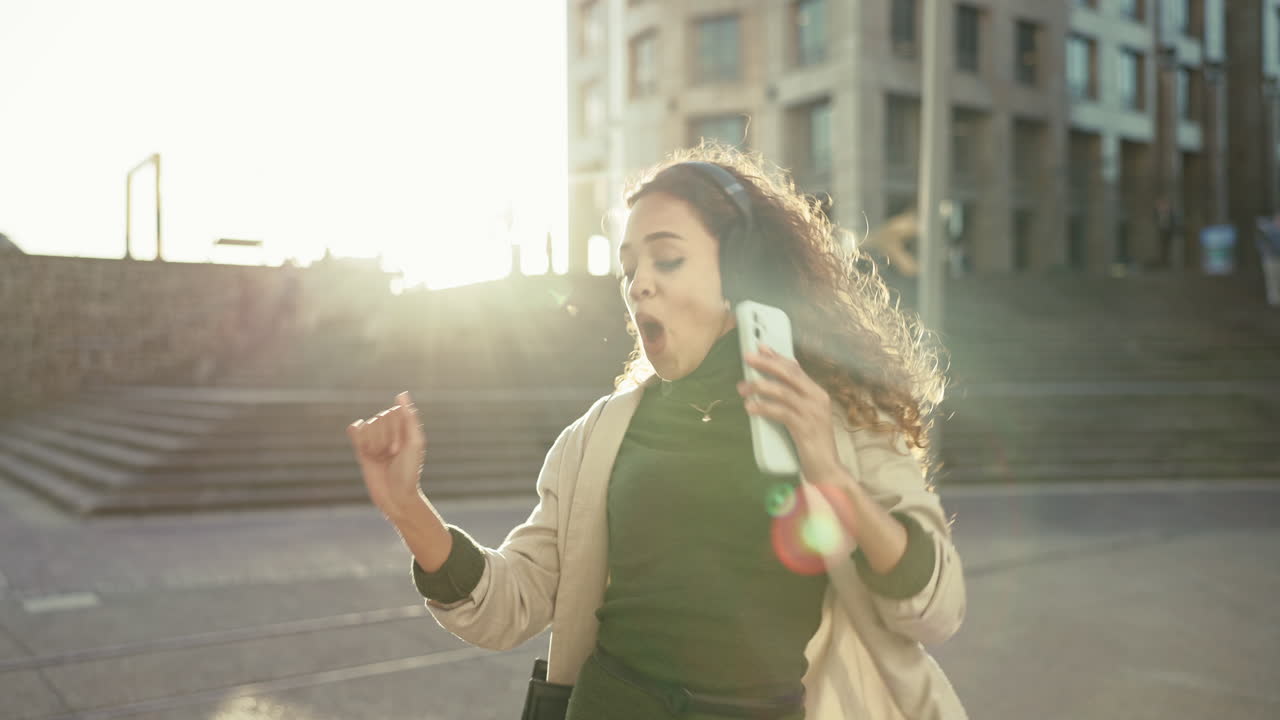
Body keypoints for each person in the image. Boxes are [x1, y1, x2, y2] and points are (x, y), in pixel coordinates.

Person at [347, 146, 967, 719]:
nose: (639, 282)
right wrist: (408, 508)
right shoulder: (598, 436)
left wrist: (830, 475)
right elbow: (510, 605)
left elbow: (934, 609)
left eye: (667, 258)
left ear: (744, 270)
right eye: (629, 267)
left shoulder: (846, 421)